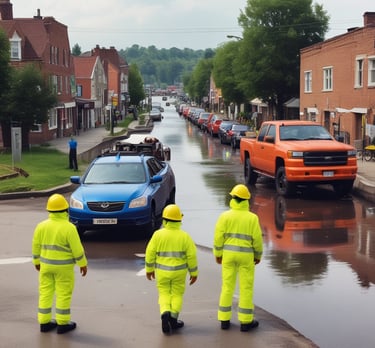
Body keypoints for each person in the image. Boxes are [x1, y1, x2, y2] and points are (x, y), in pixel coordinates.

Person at [32, 193, 88, 334]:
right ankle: (63, 324)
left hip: (45, 267)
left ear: (49, 210)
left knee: (45, 293)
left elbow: (36, 246)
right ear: (65, 210)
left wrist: (36, 262)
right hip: (64, 268)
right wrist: (82, 264)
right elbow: (77, 249)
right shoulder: (69, 228)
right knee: (63, 294)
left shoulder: (41, 226)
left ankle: (44, 323)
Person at [213, 184, 263, 332]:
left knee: (227, 286)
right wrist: (258, 255)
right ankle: (246, 322)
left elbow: (218, 237)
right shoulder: (252, 218)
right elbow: (257, 240)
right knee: (246, 288)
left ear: (232, 198)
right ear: (247, 200)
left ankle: (224, 320)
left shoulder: (224, 216)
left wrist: (218, 254)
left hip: (228, 256)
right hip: (246, 257)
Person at [145, 204, 198, 334]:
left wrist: (149, 269)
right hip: (179, 272)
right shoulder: (185, 236)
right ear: (179, 220)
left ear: (164, 219)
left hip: (162, 272)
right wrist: (194, 272)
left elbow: (150, 252)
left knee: (164, 293)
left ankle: (164, 313)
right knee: (177, 294)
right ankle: (173, 320)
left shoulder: (158, 235)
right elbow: (191, 256)